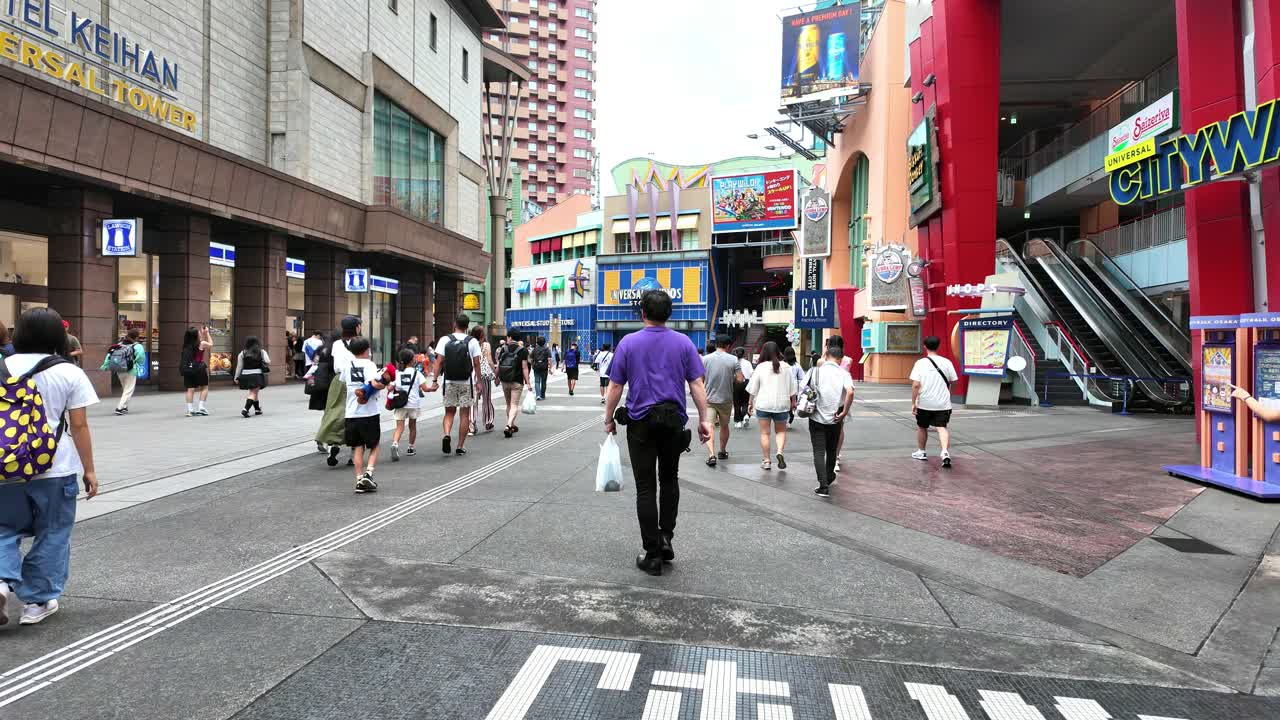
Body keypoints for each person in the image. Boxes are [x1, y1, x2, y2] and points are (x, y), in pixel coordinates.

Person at [0, 307, 99, 625]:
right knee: (53, 531)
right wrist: (90, 470)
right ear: (58, 335)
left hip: (6, 466)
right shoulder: (68, 372)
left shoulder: (2, 366)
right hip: (54, 468)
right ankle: (37, 602)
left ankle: (1, 583)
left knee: (2, 529)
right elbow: (79, 426)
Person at [604, 290, 712, 577]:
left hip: (640, 423)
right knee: (669, 479)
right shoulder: (684, 343)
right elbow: (697, 385)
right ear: (670, 313)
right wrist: (704, 420)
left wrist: (608, 419)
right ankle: (666, 537)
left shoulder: (628, 343)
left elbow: (615, 387)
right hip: (673, 423)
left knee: (646, 487)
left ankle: (651, 553)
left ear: (642, 313)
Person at [339, 337, 385, 493]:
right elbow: (374, 383)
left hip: (351, 412)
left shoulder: (346, 365)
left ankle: (359, 480)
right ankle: (368, 473)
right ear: (367, 350)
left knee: (358, 446)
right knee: (374, 444)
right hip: (369, 412)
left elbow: (343, 381)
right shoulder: (370, 365)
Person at [431, 314, 482, 456]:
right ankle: (460, 446)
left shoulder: (445, 339)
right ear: (467, 327)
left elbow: (439, 362)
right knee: (464, 414)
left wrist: (435, 380)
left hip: (449, 381)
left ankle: (447, 434)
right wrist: (479, 381)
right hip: (466, 382)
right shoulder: (472, 341)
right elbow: (476, 363)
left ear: (455, 324)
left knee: (449, 412)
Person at [808, 345, 855, 497]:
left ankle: (823, 485)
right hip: (835, 417)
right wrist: (845, 411)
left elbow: (803, 390)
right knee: (832, 450)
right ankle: (829, 477)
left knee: (818, 451)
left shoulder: (815, 371)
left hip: (816, 417)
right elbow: (850, 391)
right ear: (841, 359)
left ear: (826, 356)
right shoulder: (844, 373)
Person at [746, 341, 797, 470]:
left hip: (763, 404)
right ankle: (779, 452)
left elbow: (753, 388)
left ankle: (767, 460)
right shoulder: (786, 367)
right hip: (782, 405)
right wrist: (793, 402)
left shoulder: (760, 367)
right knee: (780, 431)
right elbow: (793, 388)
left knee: (765, 433)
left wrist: (750, 402)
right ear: (778, 351)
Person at [317, 316, 361, 467]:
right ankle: (353, 452)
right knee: (355, 413)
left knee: (335, 411)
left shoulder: (336, 344)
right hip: (356, 380)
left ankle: (333, 445)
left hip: (339, 380)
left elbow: (335, 363)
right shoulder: (361, 343)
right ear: (356, 328)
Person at [910, 335, 958, 468]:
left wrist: (914, 402)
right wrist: (949, 392)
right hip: (943, 403)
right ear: (938, 346)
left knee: (922, 427)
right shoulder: (947, 362)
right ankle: (945, 452)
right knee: (941, 427)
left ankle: (921, 452)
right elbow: (954, 381)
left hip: (925, 403)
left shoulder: (920, 363)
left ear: (925, 346)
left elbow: (915, 385)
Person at [700, 335, 739, 467]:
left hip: (709, 398)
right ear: (728, 346)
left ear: (716, 344)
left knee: (709, 426)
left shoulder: (705, 359)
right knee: (724, 426)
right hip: (726, 399)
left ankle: (711, 455)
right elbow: (740, 379)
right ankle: (722, 451)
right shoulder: (734, 360)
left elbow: (700, 380)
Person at [389, 348, 430, 460]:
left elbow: (390, 387)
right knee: (412, 426)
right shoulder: (417, 373)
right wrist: (433, 388)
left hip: (400, 403)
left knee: (399, 427)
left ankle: (395, 444)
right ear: (412, 360)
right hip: (413, 404)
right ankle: (411, 447)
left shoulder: (397, 373)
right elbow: (425, 388)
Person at [101, 328, 146, 415]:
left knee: (125, 388)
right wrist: (137, 362)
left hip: (119, 370)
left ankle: (125, 407)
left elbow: (109, 355)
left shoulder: (119, 345)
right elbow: (140, 357)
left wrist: (105, 366)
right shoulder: (137, 346)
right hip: (130, 369)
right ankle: (120, 408)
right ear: (136, 337)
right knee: (128, 390)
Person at [496, 331, 532, 437]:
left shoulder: (504, 349)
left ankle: (511, 424)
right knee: (514, 405)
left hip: (505, 380)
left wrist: (497, 377)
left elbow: (499, 364)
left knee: (508, 405)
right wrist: (528, 382)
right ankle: (509, 425)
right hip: (517, 381)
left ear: (510, 337)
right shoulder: (523, 350)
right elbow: (524, 367)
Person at [234, 336, 271, 418]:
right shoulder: (261, 352)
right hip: (256, 375)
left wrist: (236, 377)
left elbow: (239, 366)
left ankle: (257, 409)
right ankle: (245, 409)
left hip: (245, 375)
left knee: (255, 392)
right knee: (253, 393)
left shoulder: (242, 353)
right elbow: (268, 361)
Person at [180, 326, 213, 416]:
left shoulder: (186, 346)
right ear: (196, 335)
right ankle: (201, 407)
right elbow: (210, 345)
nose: (199, 332)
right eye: (198, 332)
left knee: (190, 389)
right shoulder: (201, 343)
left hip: (188, 369)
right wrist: (207, 333)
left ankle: (190, 410)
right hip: (199, 368)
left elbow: (197, 342)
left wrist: (202, 334)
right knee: (204, 387)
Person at [469, 325, 496, 435]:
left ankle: (471, 426)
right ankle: (488, 422)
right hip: (484, 374)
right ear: (482, 335)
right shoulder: (486, 345)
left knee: (472, 401)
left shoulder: (468, 343)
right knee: (487, 398)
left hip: (472, 374)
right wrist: (495, 372)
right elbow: (489, 360)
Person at [732, 347, 753, 428]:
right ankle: (745, 416)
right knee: (745, 402)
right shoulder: (747, 363)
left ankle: (738, 422)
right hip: (746, 383)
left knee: (737, 403)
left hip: (736, 383)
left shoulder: (733, 362)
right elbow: (751, 373)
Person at [784, 346, 805, 424]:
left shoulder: (782, 364)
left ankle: (784, 418)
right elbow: (802, 377)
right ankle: (790, 418)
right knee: (793, 403)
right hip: (794, 388)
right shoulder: (797, 365)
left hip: (784, 387)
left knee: (785, 404)